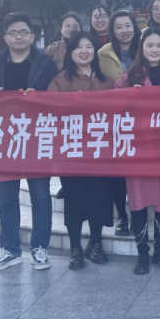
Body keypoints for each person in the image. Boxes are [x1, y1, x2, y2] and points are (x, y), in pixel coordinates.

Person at [0, 12, 60, 273]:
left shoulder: (46, 64)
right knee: (6, 197)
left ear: (32, 36)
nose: (19, 37)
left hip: (38, 137)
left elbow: (56, 98)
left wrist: (40, 97)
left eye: (24, 32)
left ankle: (39, 248)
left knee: (40, 195)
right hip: (6, 139)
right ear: (5, 37)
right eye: (14, 33)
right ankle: (10, 250)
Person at [114, 28, 160, 274]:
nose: (155, 50)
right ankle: (142, 253)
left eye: (159, 46)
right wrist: (131, 97)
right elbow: (114, 104)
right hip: (139, 149)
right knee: (139, 201)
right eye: (150, 45)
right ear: (141, 48)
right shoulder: (131, 75)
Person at [46, 32, 115, 270]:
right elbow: (49, 110)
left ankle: (96, 243)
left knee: (99, 199)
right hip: (72, 152)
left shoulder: (107, 81)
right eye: (78, 47)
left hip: (100, 152)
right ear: (71, 52)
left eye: (88, 47)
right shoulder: (60, 81)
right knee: (74, 200)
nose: (84, 51)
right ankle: (75, 248)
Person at [96, 9, 140, 236]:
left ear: (134, 26)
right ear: (112, 30)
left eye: (128, 25)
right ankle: (122, 215)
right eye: (119, 27)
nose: (124, 31)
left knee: (137, 169)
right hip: (115, 119)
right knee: (118, 172)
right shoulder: (103, 53)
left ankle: (138, 213)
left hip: (142, 119)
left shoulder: (145, 48)